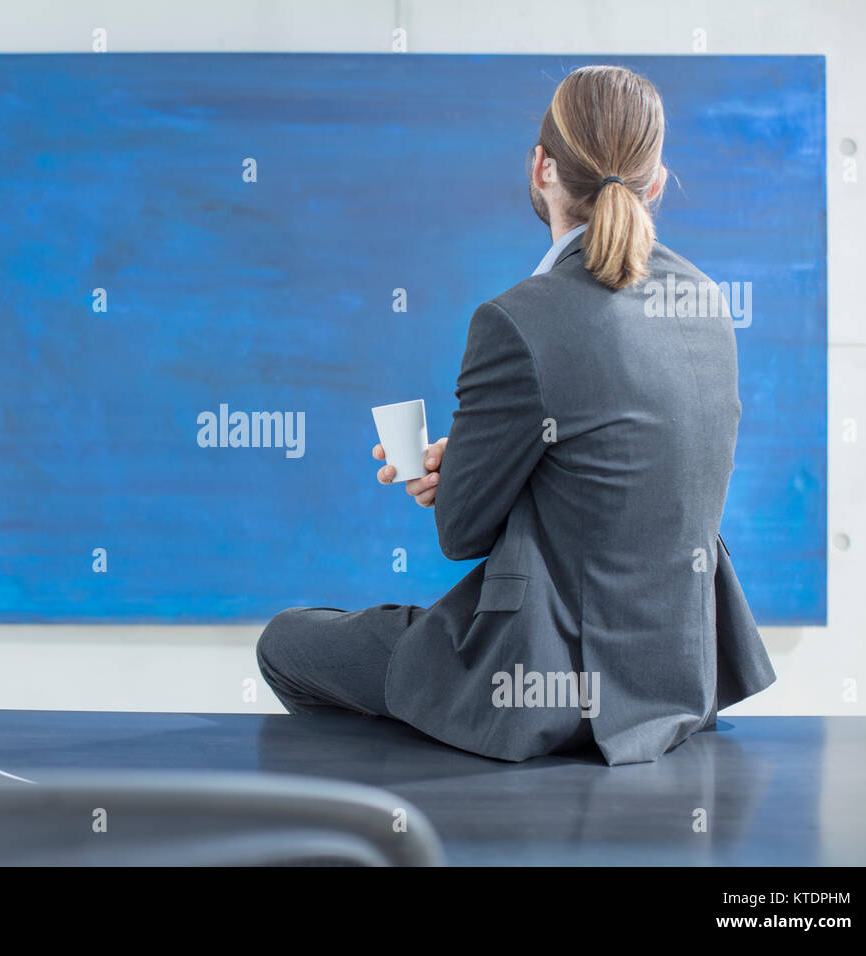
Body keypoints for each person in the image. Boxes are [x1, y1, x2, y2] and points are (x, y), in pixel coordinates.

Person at [256, 65, 776, 765]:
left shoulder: (517, 319)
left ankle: (411, 809)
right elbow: (626, 474)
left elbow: (461, 531)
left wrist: (464, 473)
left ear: (542, 168)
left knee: (286, 641)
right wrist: (479, 456)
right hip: (676, 681)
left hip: (540, 683)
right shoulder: (709, 305)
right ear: (655, 183)